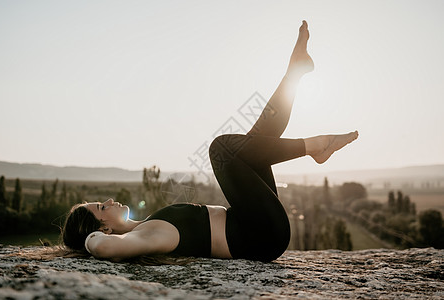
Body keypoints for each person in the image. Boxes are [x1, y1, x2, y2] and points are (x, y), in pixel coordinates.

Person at [62, 20, 358, 262]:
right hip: (261, 235)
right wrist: (90, 240)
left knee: (254, 144)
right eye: (102, 207)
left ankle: (295, 72)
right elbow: (105, 248)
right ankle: (314, 145)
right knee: (222, 149)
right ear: (104, 228)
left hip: (256, 225)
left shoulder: (145, 226)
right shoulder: (142, 237)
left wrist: (97, 234)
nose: (110, 201)